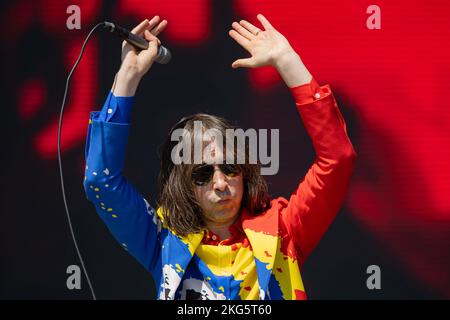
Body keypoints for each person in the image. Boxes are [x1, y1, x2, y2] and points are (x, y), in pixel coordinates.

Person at [84, 14, 356, 300]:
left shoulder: (284, 230)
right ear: (184, 185)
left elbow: (337, 159)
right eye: (203, 174)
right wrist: (127, 76)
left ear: (245, 171)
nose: (220, 183)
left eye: (229, 168)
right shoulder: (162, 239)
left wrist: (289, 63)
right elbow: (100, 182)